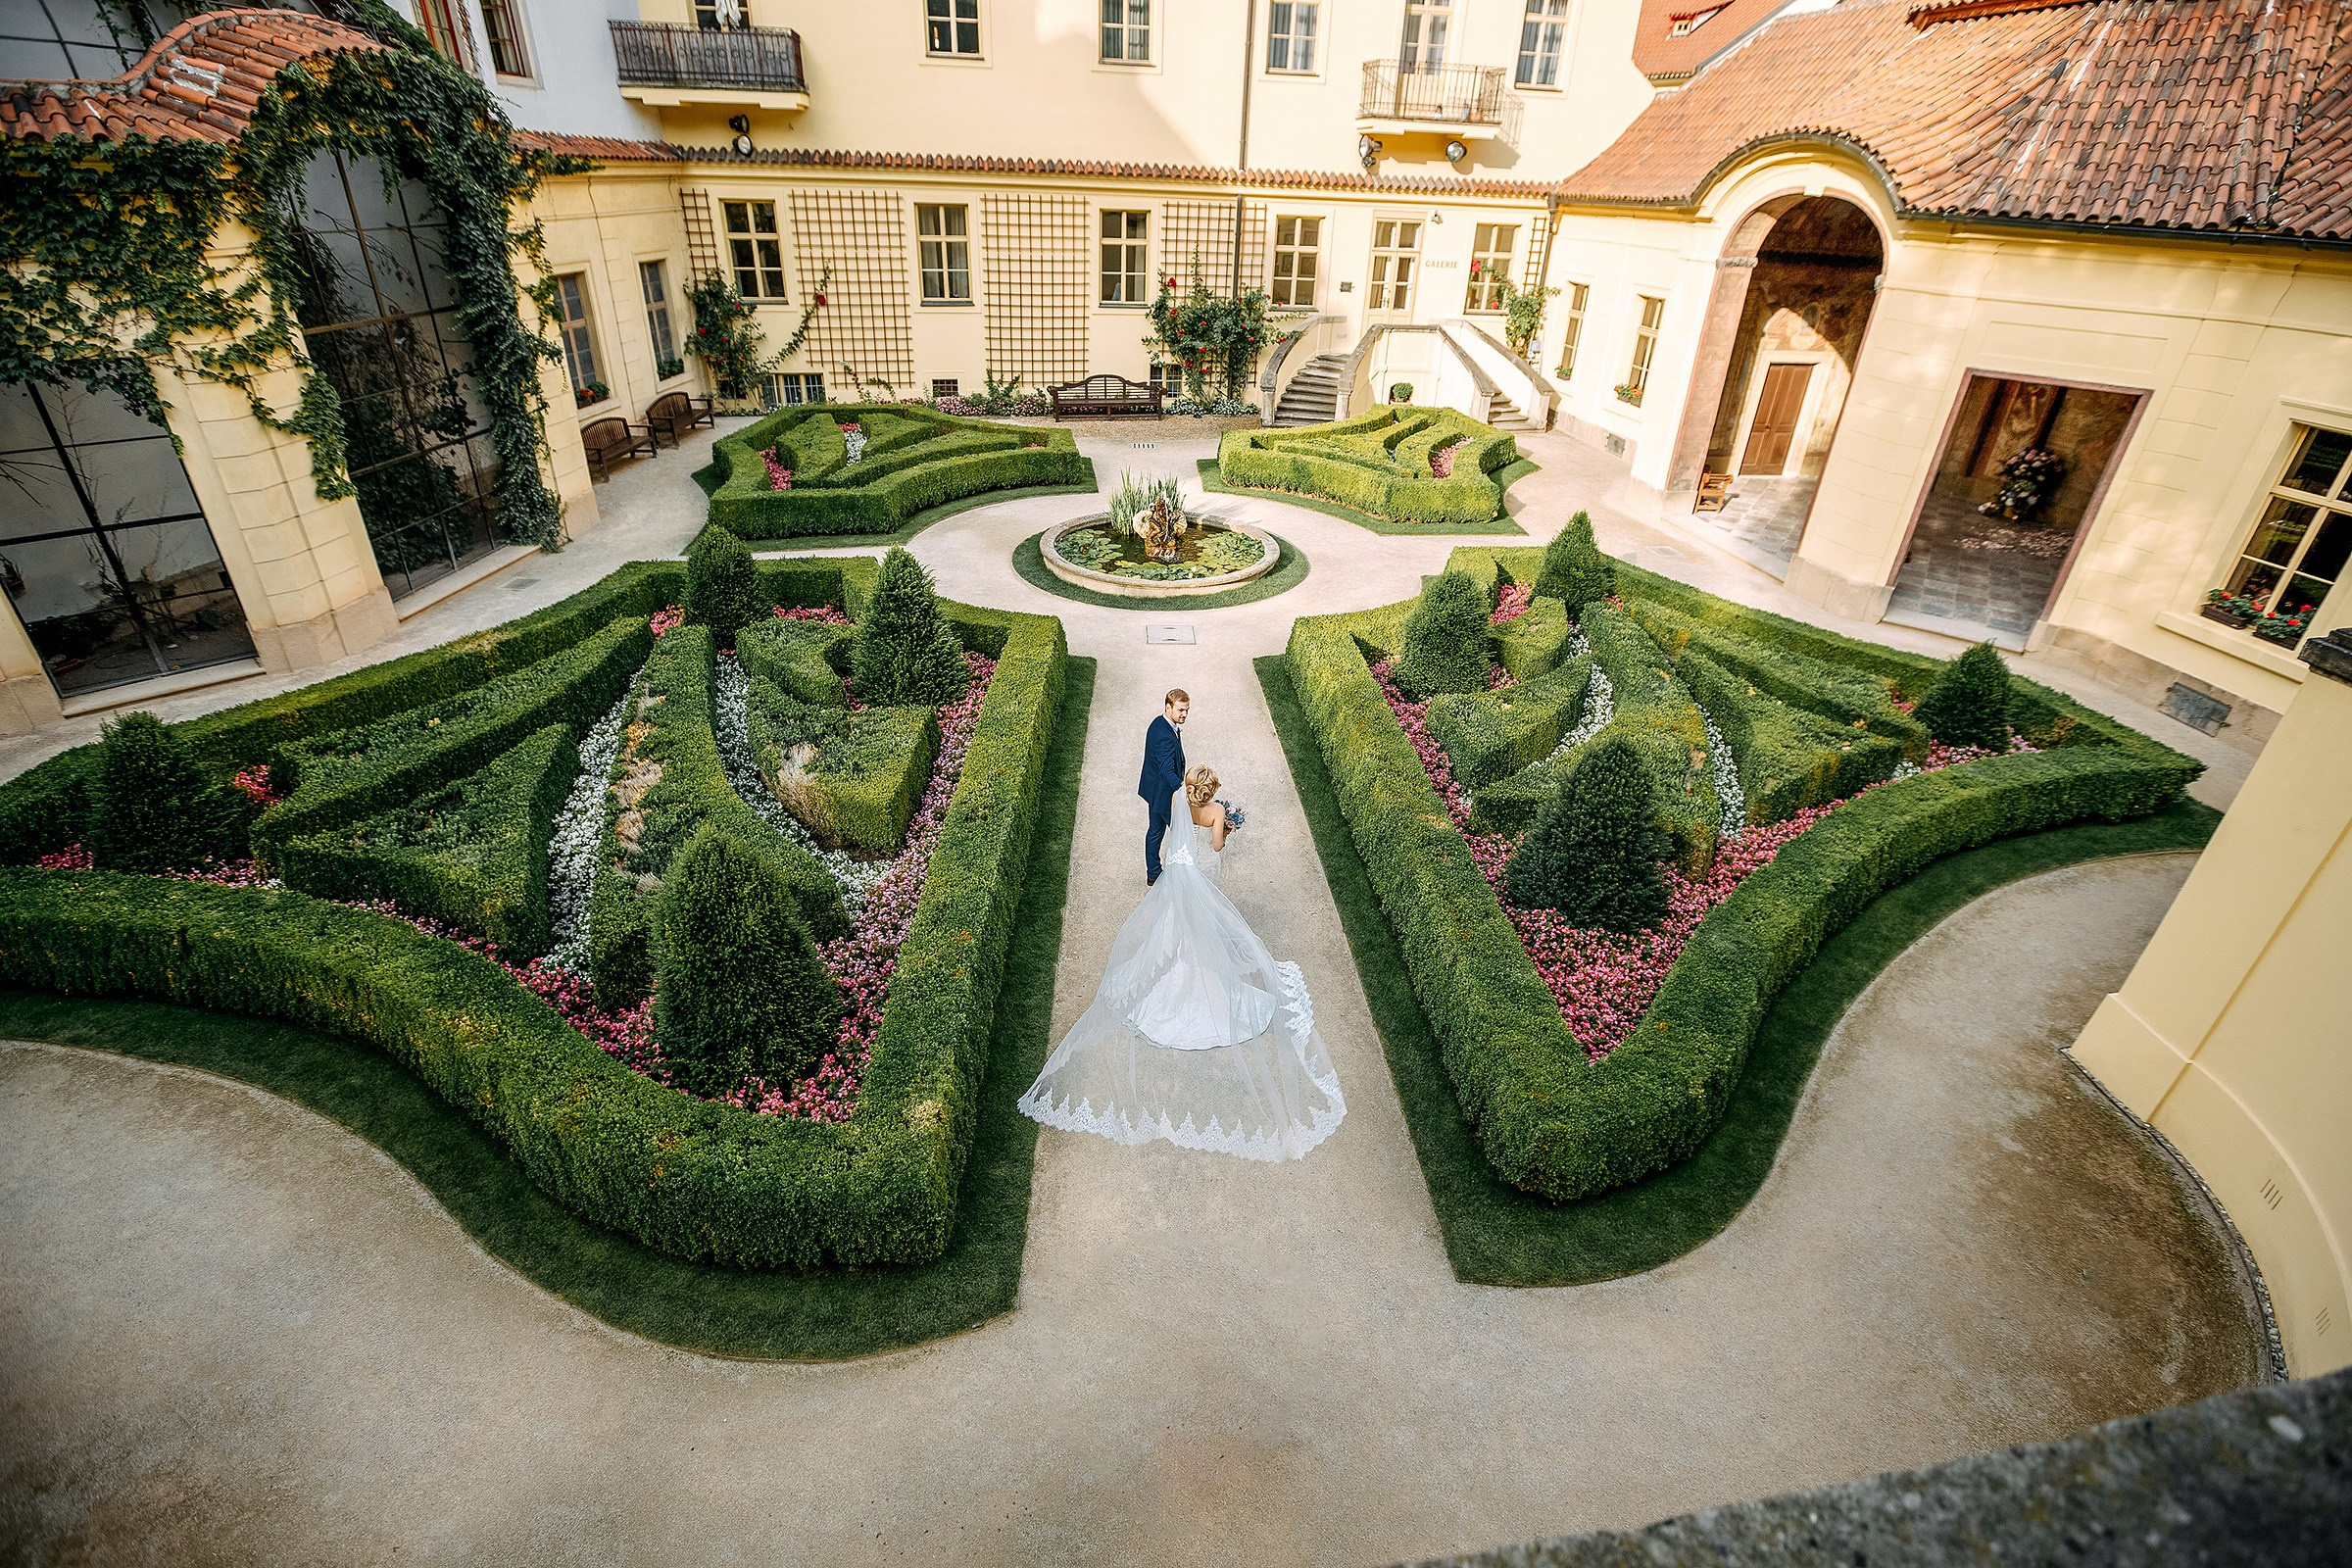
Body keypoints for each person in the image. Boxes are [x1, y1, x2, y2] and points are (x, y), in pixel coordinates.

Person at [1018, 760, 1346, 1162]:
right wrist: (1227, 827)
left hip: (1178, 874)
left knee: (1181, 927)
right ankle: (1201, 977)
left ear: (1190, 786)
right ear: (1212, 792)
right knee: (1204, 926)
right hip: (1202, 873)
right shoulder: (1216, 811)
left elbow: (1176, 836)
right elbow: (1216, 847)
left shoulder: (1177, 798)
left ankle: (1176, 975)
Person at [1138, 688, 1188, 885]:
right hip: (1164, 793)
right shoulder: (1164, 735)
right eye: (1181, 710)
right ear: (1168, 707)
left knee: (1155, 831)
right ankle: (1178, 873)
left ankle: (1153, 873)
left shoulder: (1159, 723)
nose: (1184, 714)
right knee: (1182, 833)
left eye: (1187, 710)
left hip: (1154, 790)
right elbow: (1167, 771)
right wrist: (1184, 789)